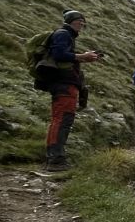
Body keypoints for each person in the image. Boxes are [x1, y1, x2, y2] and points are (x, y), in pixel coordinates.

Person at [39, 10, 102, 170]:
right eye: (79, 20)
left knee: (61, 119)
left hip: (64, 83)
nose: (82, 23)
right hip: (64, 84)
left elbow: (63, 56)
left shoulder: (66, 36)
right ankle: (55, 160)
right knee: (62, 120)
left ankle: (55, 156)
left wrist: (82, 58)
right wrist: (81, 56)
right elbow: (59, 54)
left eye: (83, 21)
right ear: (70, 21)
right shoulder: (63, 34)